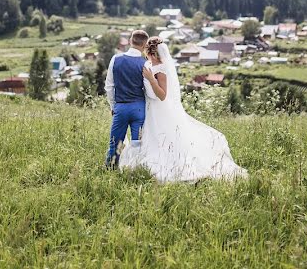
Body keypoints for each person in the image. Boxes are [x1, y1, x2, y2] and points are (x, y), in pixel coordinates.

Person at [117, 36, 247, 182]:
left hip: (159, 109)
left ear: (150, 51)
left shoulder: (161, 68)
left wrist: (151, 79)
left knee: (165, 138)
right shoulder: (148, 65)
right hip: (149, 109)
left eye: (146, 50)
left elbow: (162, 95)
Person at [104, 29, 151, 168]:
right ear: (145, 45)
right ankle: (134, 169)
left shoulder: (116, 59)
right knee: (138, 144)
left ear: (130, 41)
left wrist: (113, 106)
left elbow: (109, 86)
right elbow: (148, 90)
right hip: (139, 108)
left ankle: (111, 168)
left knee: (115, 142)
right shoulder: (145, 63)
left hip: (121, 107)